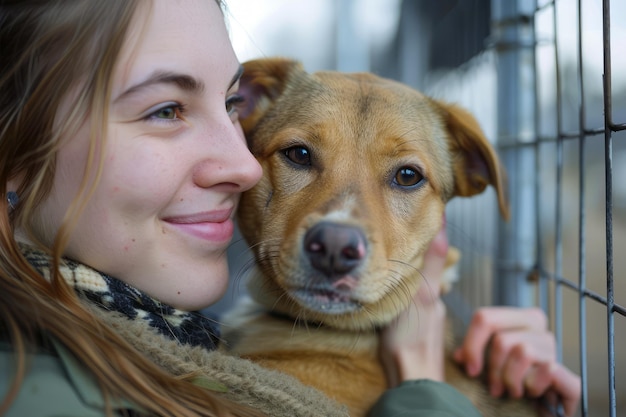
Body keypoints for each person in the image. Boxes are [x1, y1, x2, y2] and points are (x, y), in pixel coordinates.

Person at [0, 1, 579, 416]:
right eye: (299, 154)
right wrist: (426, 387)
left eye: (405, 177)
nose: (242, 163)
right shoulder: (45, 386)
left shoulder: (165, 334)